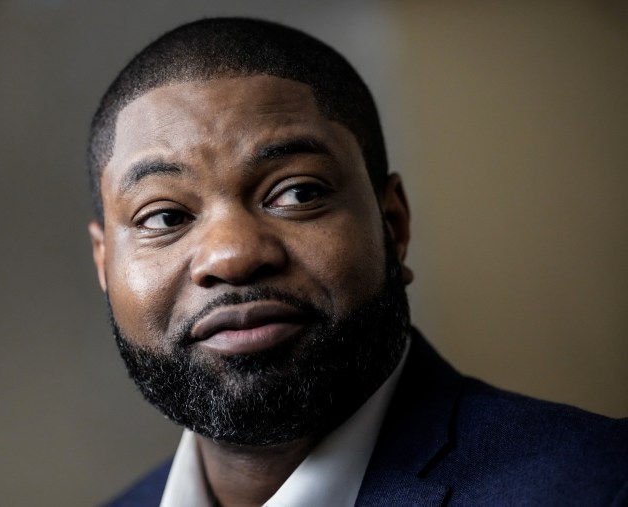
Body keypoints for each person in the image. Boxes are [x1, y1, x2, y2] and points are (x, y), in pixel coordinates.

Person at [86, 17, 628, 507]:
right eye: (163, 217)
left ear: (394, 226)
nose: (233, 255)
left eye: (297, 193)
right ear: (104, 265)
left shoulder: (601, 485)